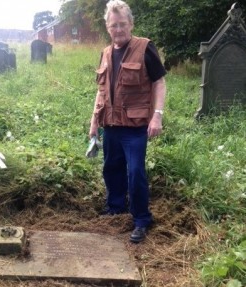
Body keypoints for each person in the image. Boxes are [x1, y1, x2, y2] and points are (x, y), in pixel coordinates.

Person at [89, 0, 167, 243]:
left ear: (131, 24)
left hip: (135, 128)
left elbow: (159, 82)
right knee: (111, 168)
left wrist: (157, 115)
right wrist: (94, 121)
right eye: (114, 26)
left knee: (135, 173)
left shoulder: (145, 48)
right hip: (110, 125)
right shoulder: (104, 53)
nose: (119, 30)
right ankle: (115, 209)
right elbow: (100, 91)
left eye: (123, 24)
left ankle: (141, 219)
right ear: (107, 27)